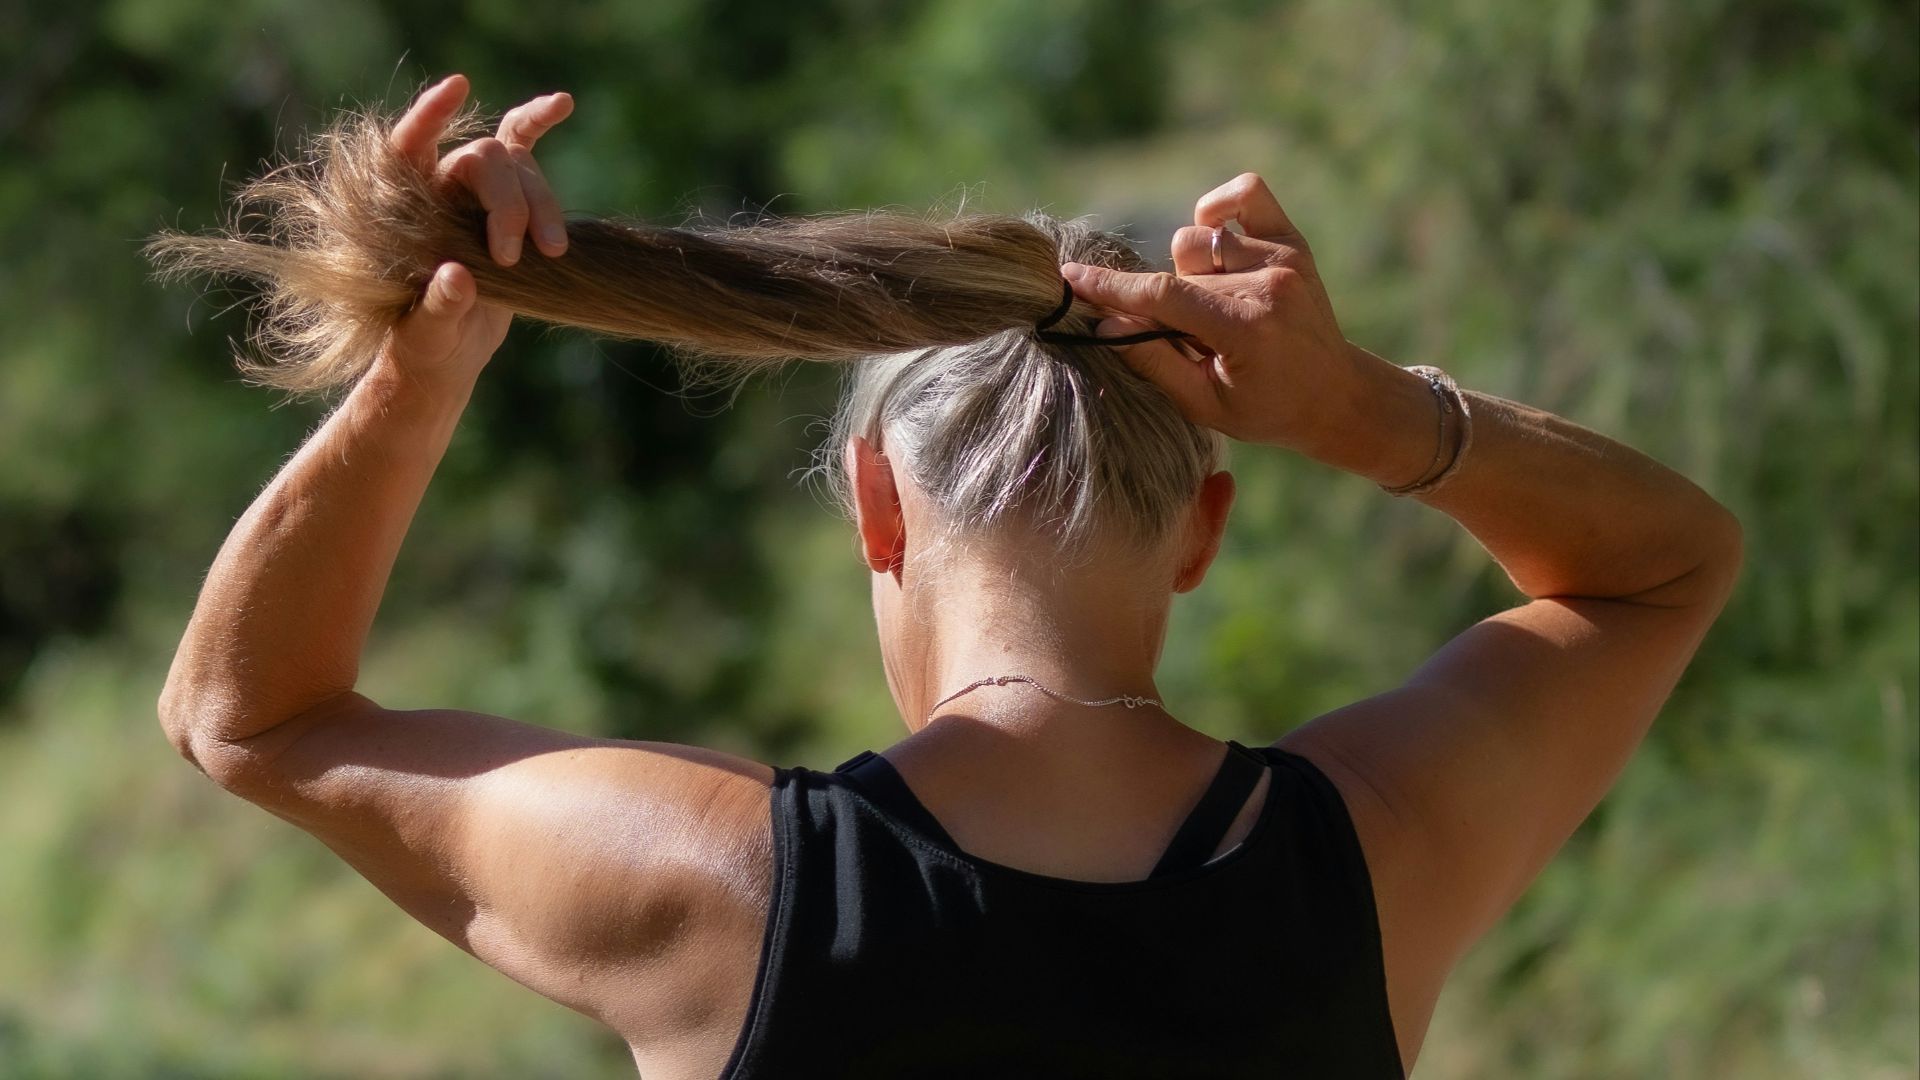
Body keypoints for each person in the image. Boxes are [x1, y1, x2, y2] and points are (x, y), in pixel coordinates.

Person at [154, 75, 1744, 1079]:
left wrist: (421, 372)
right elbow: (1662, 567)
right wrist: (1363, 408)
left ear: (878, 511)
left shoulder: (729, 892)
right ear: (1202, 530)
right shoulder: (1373, 860)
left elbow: (250, 719)